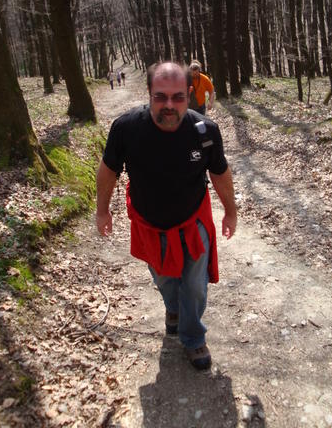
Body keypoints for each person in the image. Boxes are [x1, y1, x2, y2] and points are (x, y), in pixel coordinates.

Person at [96, 62, 237, 371]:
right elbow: (108, 170)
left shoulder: (205, 132)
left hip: (193, 218)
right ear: (149, 93)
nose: (169, 105)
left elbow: (220, 172)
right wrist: (102, 210)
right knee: (163, 277)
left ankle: (193, 337)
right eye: (160, 97)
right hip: (149, 222)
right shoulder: (126, 129)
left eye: (178, 97)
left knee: (195, 284)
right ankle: (173, 308)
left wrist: (230, 211)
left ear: (189, 94)